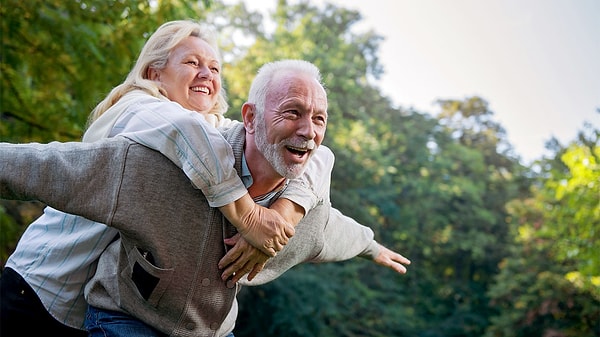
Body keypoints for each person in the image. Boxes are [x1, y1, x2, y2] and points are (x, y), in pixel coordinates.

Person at [0, 59, 411, 337]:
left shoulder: (303, 211)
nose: (309, 131)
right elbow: (49, 166)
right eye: (292, 112)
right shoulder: (161, 167)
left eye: (318, 118)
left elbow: (336, 231)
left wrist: (372, 245)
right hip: (126, 320)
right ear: (250, 118)